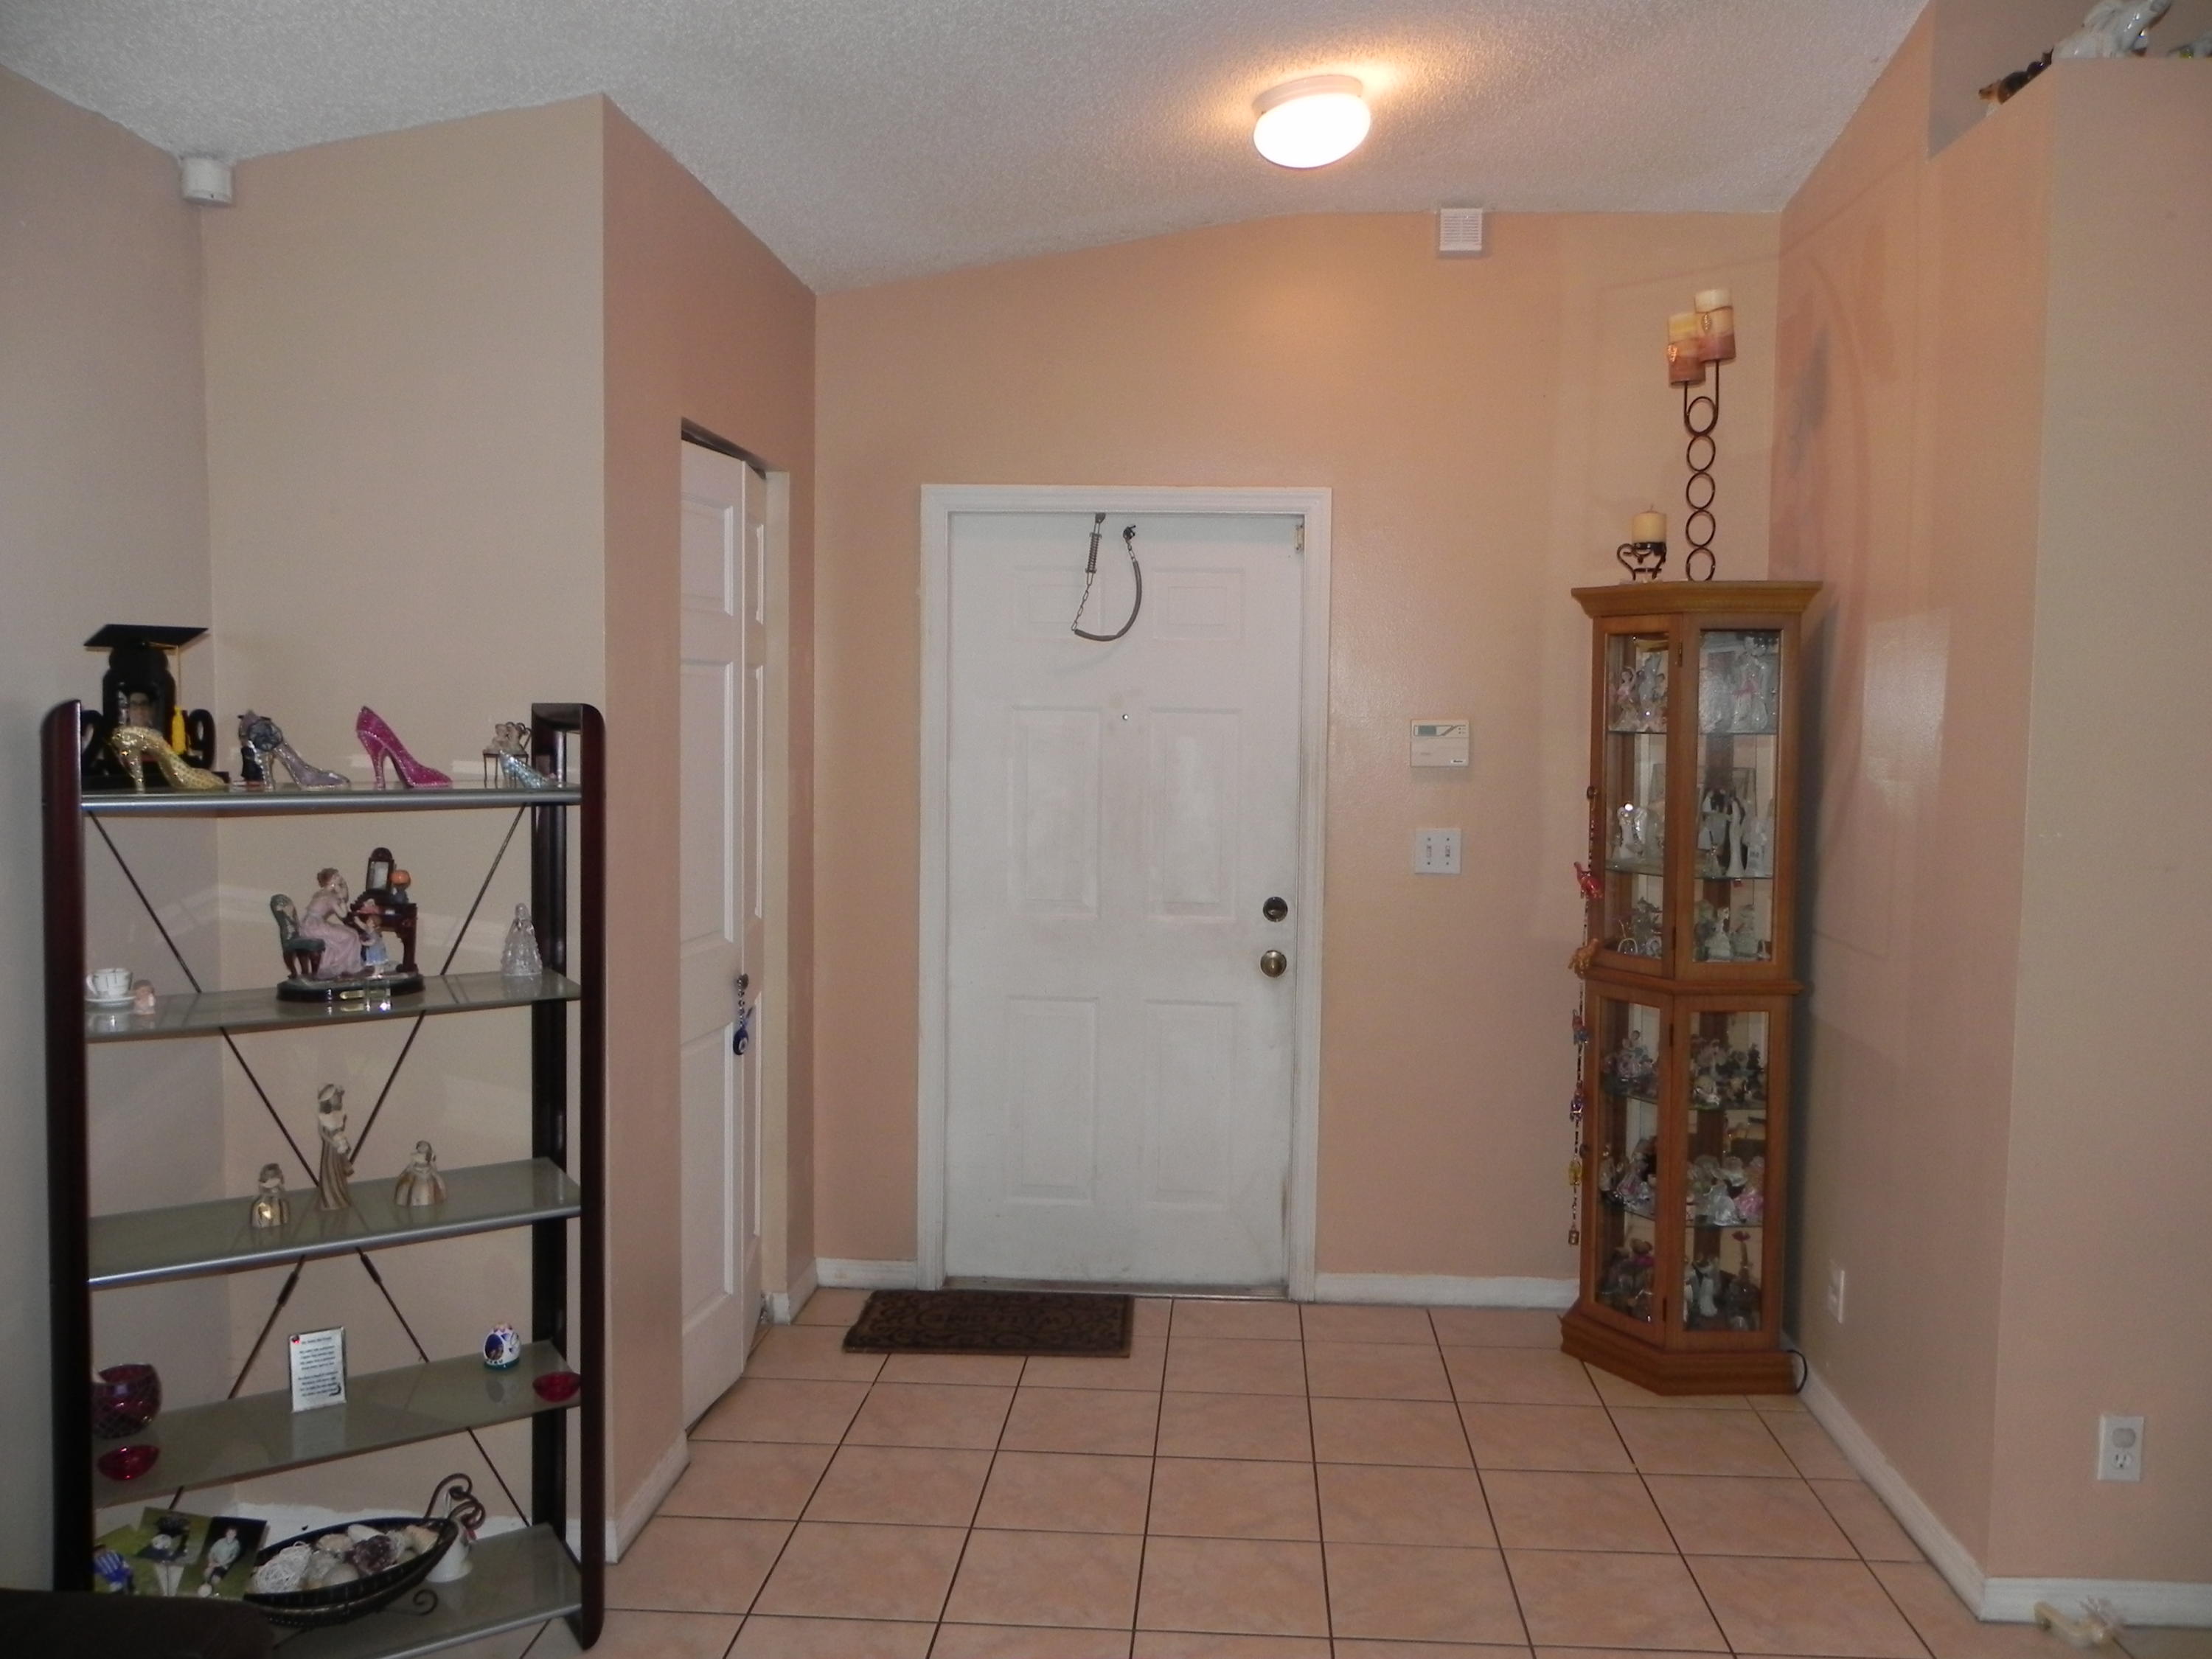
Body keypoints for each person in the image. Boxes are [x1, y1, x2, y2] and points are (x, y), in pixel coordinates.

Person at [298, 868, 366, 977]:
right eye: (337, 876)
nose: (340, 878)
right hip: (315, 926)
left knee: (351, 932)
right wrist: (342, 895)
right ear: (331, 880)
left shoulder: (323, 892)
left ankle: (338, 963)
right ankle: (343, 965)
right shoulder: (329, 897)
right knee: (350, 936)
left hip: (310, 923)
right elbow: (343, 915)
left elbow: (342, 896)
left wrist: (342, 887)